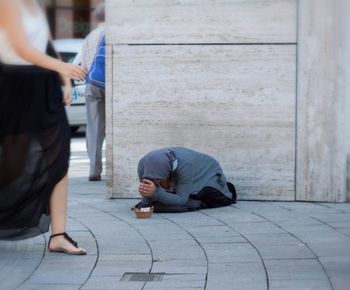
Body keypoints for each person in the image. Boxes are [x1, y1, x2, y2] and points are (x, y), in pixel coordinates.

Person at [0, 0, 86, 255]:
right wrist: (61, 67)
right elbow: (21, 47)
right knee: (13, 164)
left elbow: (47, 45)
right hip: (14, 86)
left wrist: (65, 78)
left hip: (44, 84)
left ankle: (58, 235)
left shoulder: (36, 5)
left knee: (59, 156)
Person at [137, 147, 237, 212]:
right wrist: (144, 206)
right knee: (162, 204)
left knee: (203, 198)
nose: (156, 183)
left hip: (207, 175)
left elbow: (181, 199)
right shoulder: (143, 165)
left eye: (159, 179)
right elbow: (147, 198)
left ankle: (223, 188)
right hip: (185, 179)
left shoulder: (185, 163)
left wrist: (155, 193)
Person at [80, 4, 105, 181]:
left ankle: (94, 170)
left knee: (94, 127)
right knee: (114, 128)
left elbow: (84, 66)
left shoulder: (90, 37)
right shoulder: (115, 33)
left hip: (92, 84)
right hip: (111, 85)